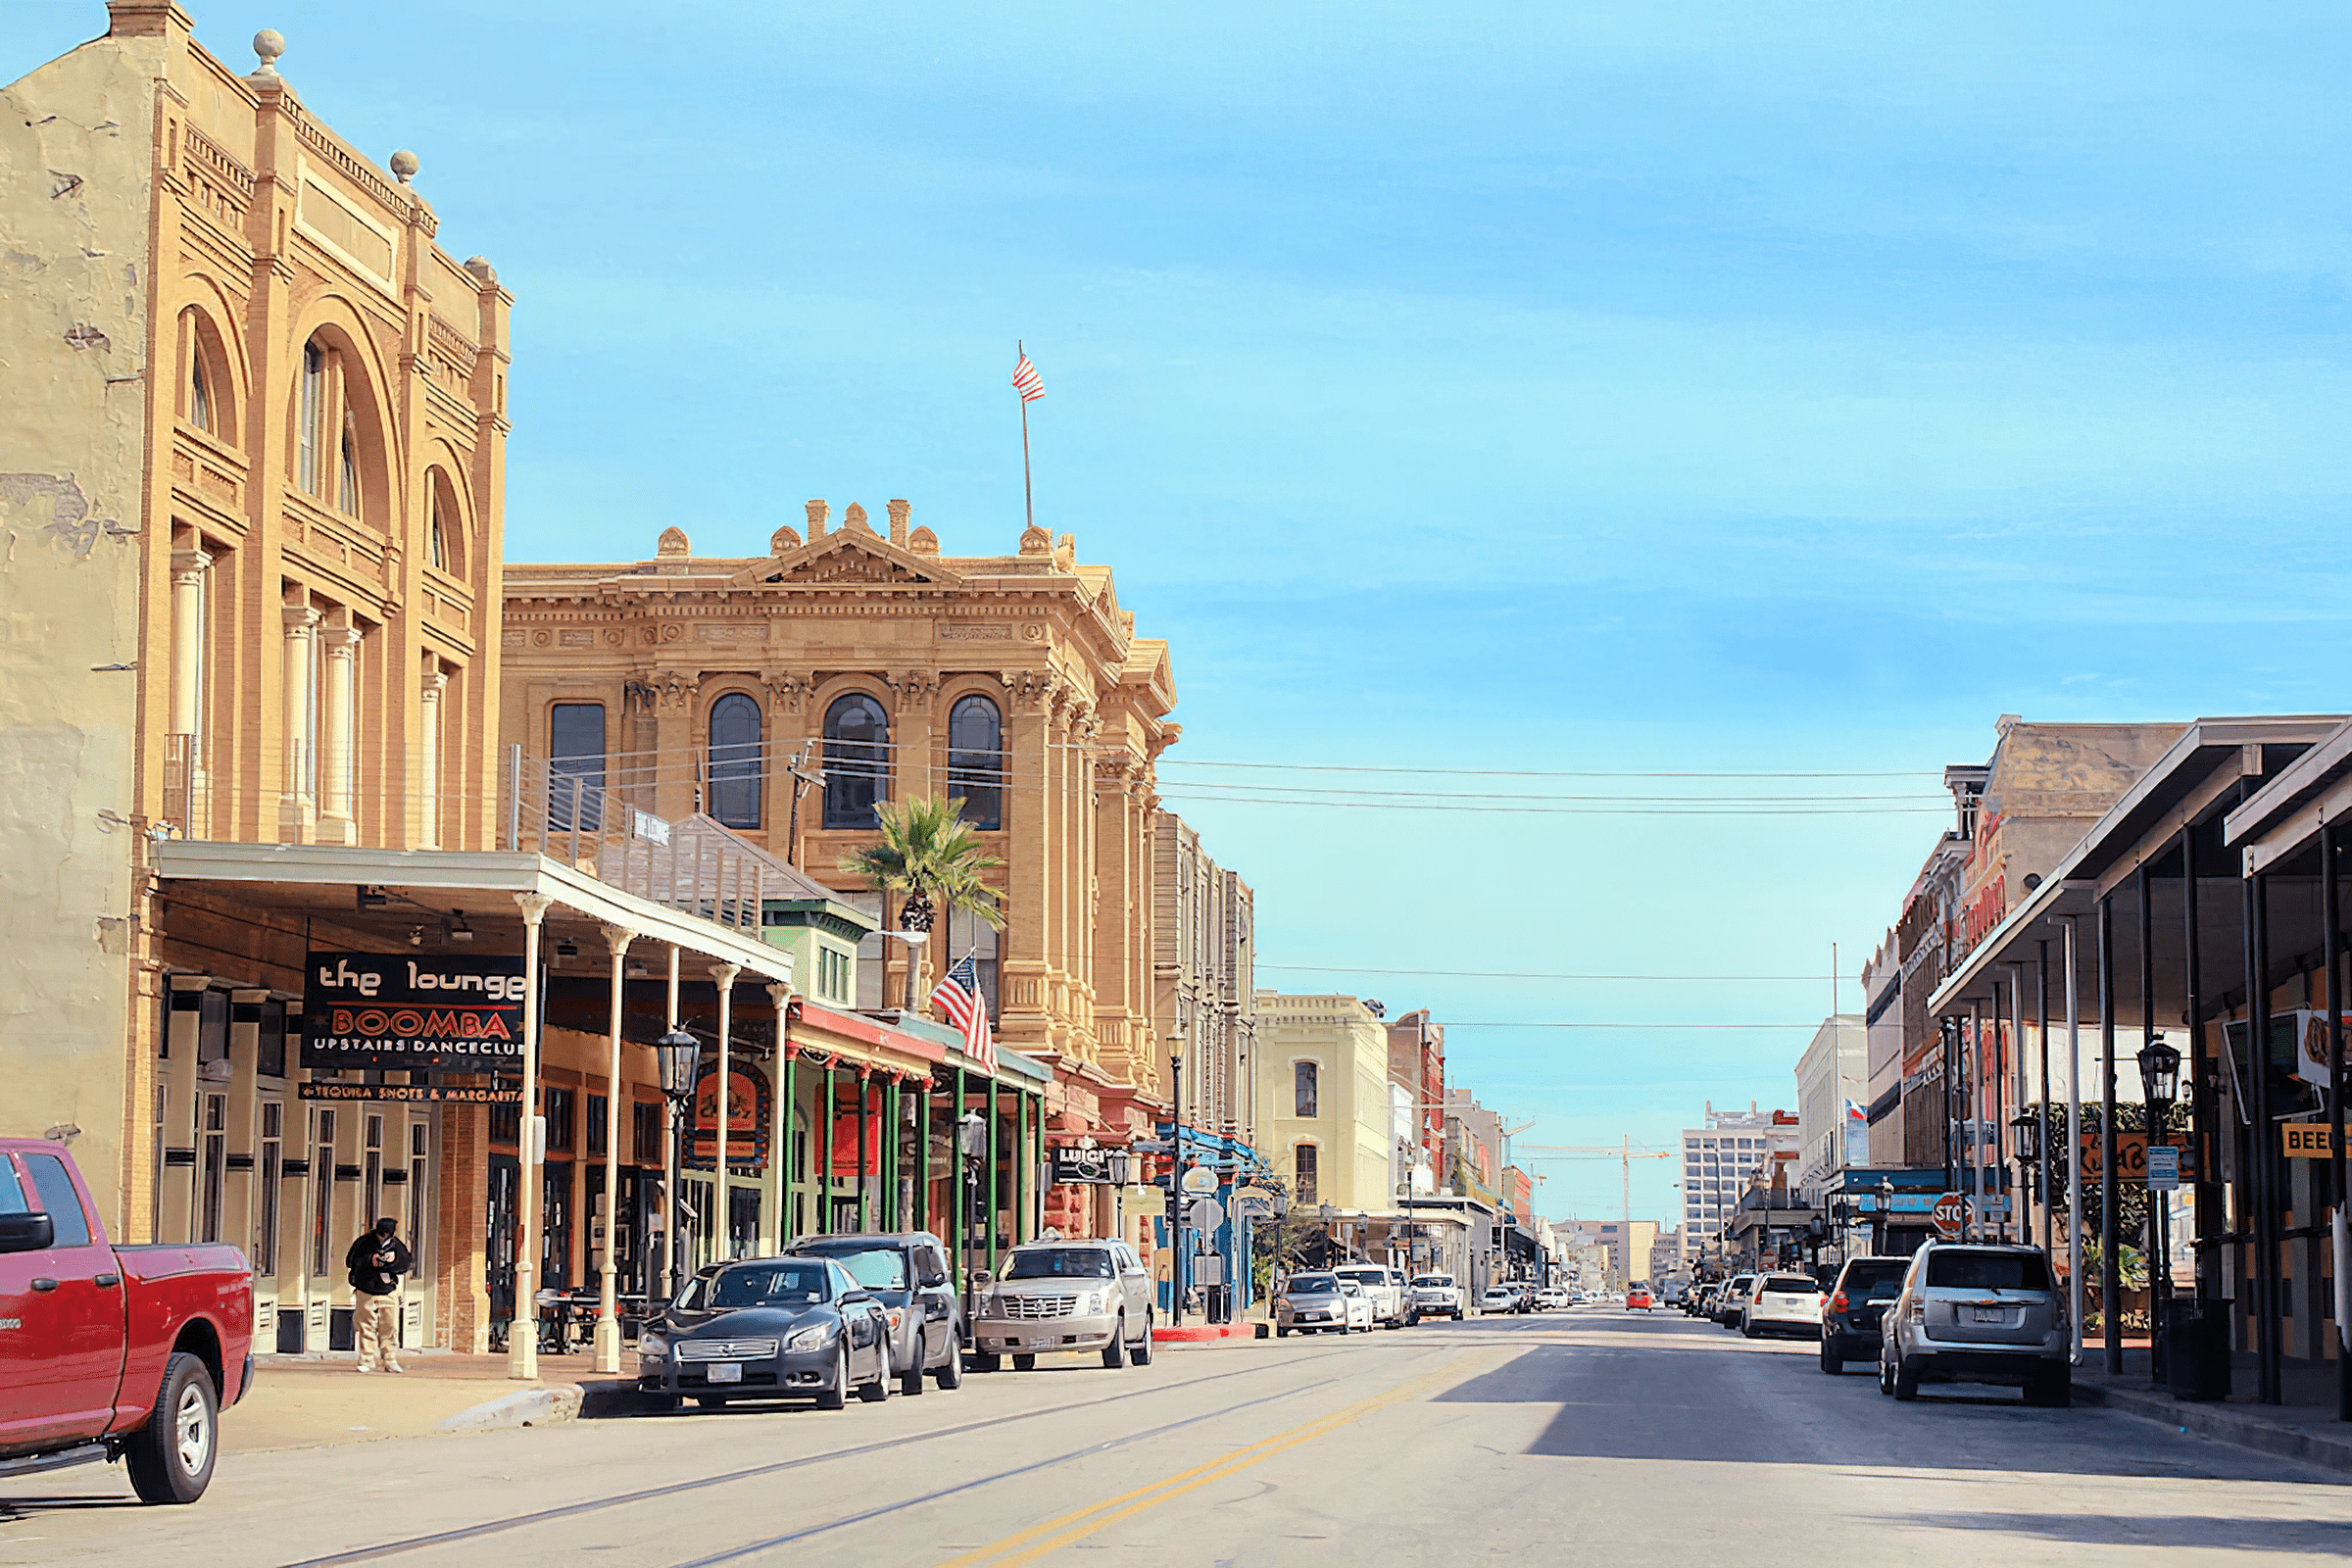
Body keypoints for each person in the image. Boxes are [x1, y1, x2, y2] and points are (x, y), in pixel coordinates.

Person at [346, 1217, 413, 1373]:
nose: (384, 1236)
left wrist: (392, 1261)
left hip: (388, 1290)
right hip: (365, 1288)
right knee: (366, 1326)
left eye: (387, 1234)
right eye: (382, 1233)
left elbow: (406, 1263)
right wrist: (371, 1260)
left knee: (389, 1326)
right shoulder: (363, 1242)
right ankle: (366, 1360)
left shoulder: (396, 1244)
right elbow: (351, 1261)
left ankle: (390, 1360)